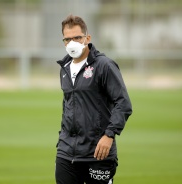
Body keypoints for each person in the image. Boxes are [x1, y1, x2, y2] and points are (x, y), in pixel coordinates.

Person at [55, 15, 133, 184]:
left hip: (98, 152)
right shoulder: (64, 68)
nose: (72, 43)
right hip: (67, 152)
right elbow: (68, 105)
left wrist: (109, 135)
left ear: (87, 38)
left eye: (77, 37)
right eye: (67, 39)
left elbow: (123, 103)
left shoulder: (104, 65)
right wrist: (62, 139)